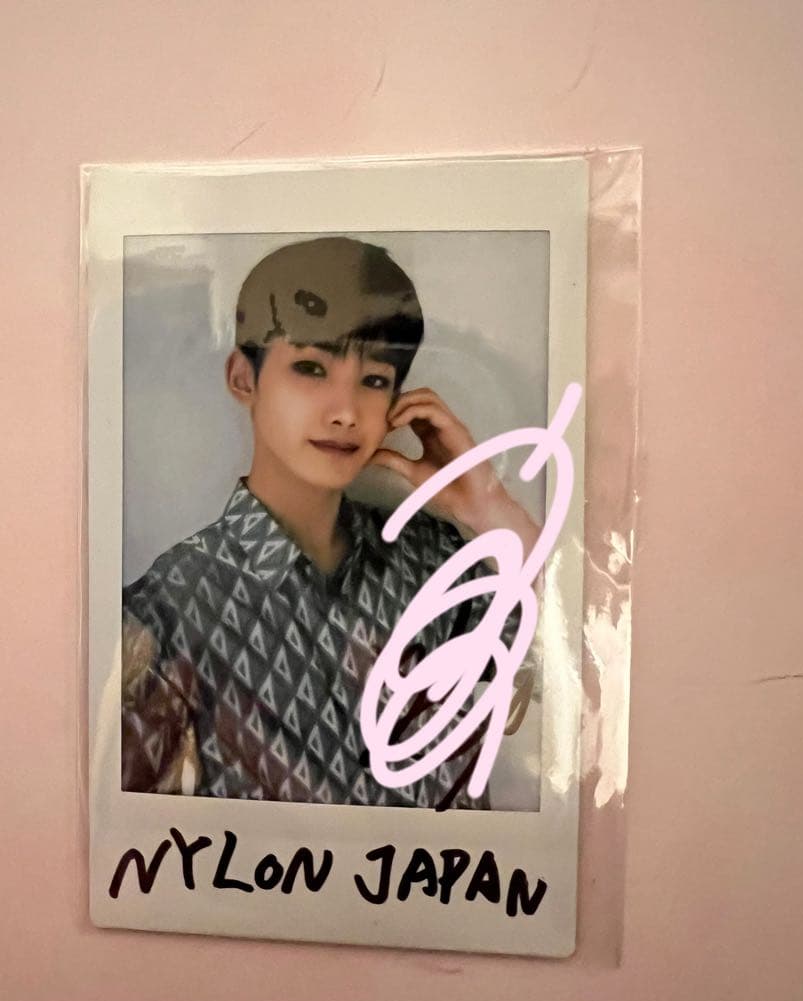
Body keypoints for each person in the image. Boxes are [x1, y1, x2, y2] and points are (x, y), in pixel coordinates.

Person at [122, 237, 541, 808]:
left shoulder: (435, 558)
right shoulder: (165, 611)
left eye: (374, 380)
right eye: (311, 368)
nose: (345, 411)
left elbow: (576, 670)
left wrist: (488, 505)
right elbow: (143, 838)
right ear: (244, 378)